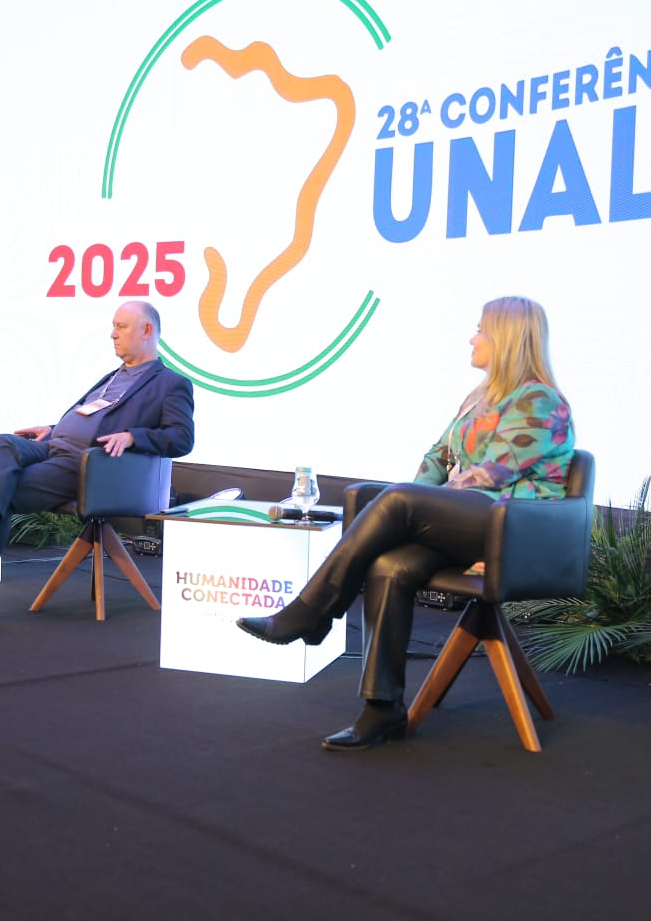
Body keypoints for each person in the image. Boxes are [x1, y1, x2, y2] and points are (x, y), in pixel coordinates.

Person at [237, 296, 574, 750]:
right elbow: (439, 456)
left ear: (507, 338)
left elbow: (491, 473)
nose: (472, 338)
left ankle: (310, 612)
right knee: (389, 565)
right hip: (471, 519)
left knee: (398, 501)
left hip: (513, 528)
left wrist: (420, 504)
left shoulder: (541, 401)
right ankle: (382, 708)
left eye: (480, 330)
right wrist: (422, 501)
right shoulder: (480, 397)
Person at [0, 300, 195, 625]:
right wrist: (54, 429)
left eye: (121, 327)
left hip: (88, 464)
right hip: (53, 445)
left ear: (146, 330)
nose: (112, 334)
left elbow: (182, 438)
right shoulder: (113, 376)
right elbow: (91, 415)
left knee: (1, 492)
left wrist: (134, 436)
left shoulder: (170, 383)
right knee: (1, 442)